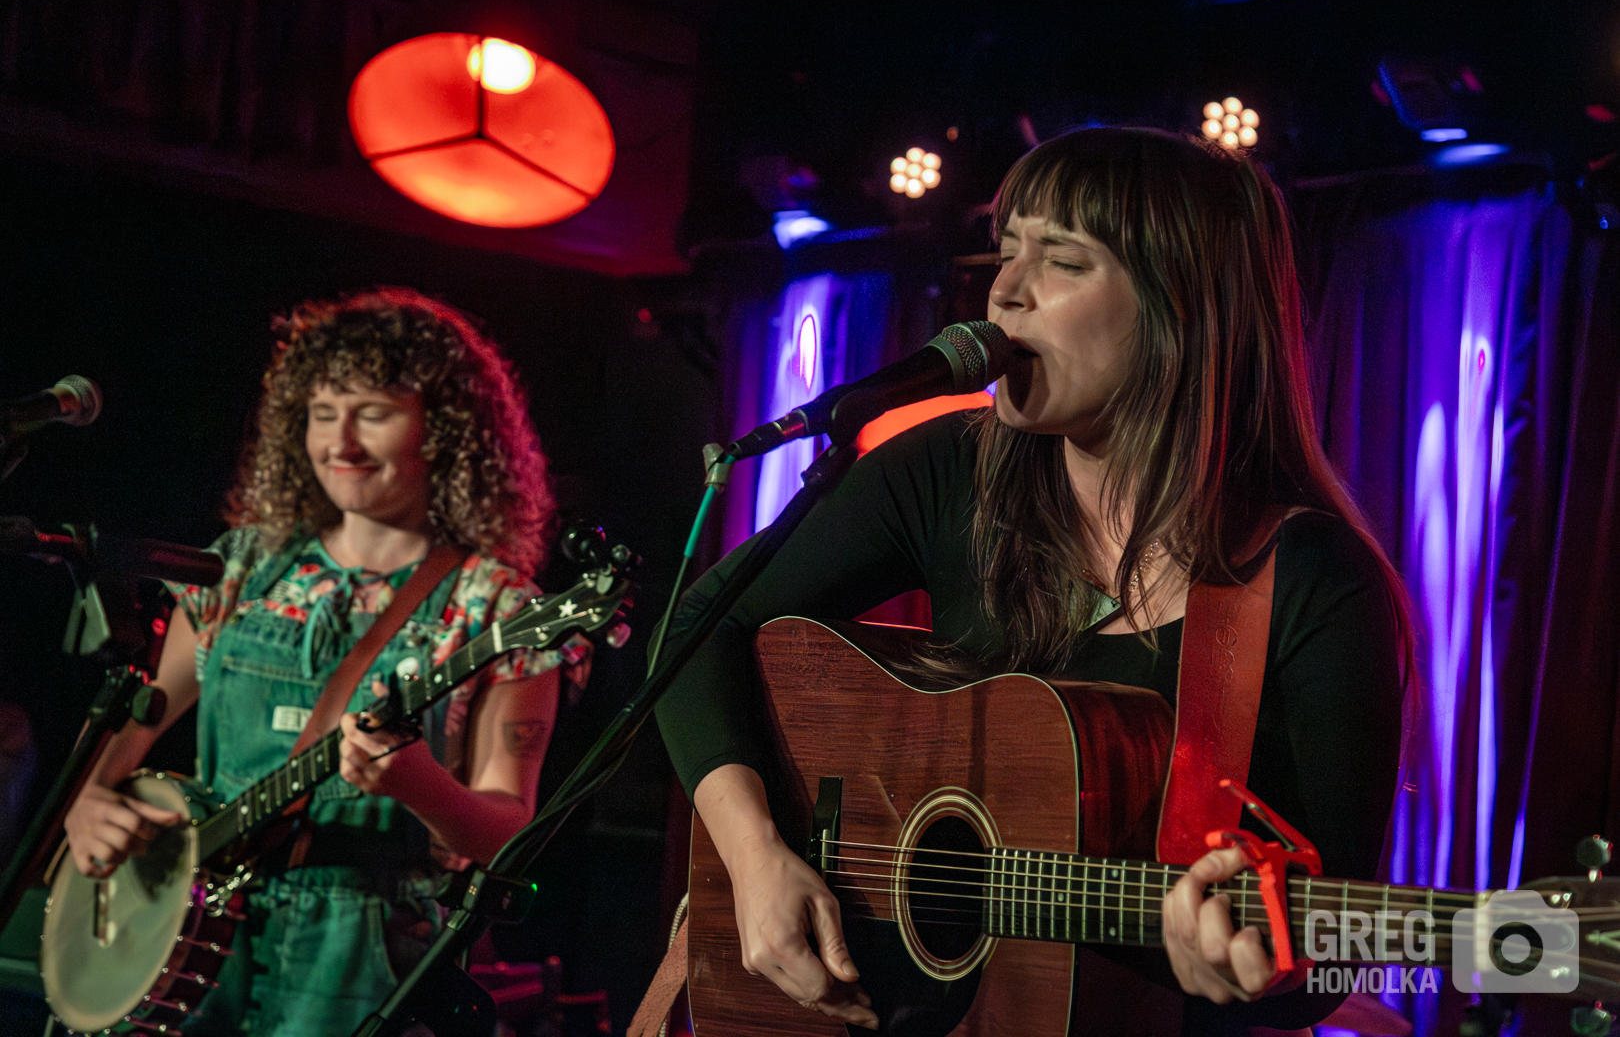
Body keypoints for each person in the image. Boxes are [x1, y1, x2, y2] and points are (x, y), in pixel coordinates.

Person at [654, 127, 1411, 1034]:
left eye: (1062, 261)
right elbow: (700, 627)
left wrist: (1263, 967)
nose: (1005, 292)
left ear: (1182, 309)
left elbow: (1332, 952)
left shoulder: (1315, 583)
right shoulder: (951, 473)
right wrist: (757, 857)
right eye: (1007, 250)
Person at [63, 288, 585, 1036]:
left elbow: (508, 830)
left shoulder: (497, 608)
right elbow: (130, 717)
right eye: (322, 412)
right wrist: (87, 798)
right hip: (190, 943)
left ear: (445, 429)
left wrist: (421, 786)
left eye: (372, 412)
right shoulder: (241, 569)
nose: (340, 442)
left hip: (369, 965)